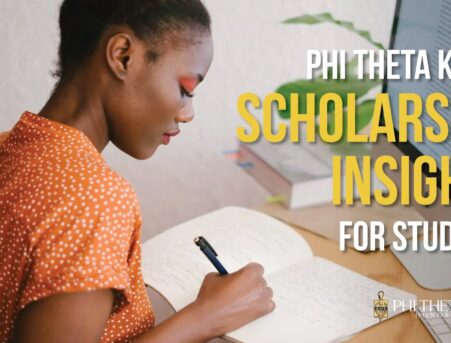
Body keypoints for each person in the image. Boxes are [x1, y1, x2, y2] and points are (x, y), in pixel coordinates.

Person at [0, 0, 275, 342]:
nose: (188, 113)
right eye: (186, 89)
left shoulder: (10, 145)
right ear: (123, 56)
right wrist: (207, 317)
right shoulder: (93, 198)